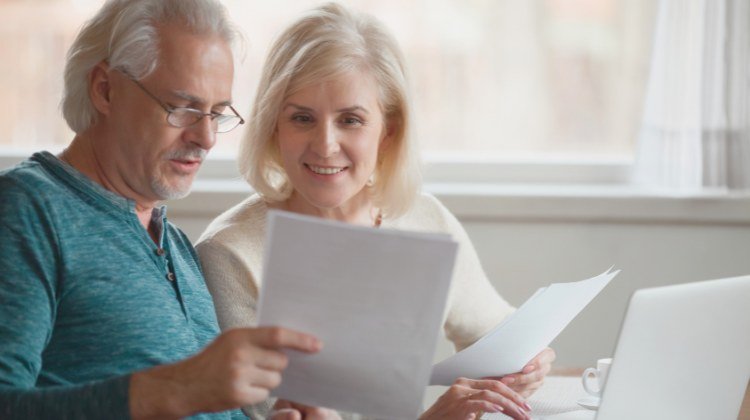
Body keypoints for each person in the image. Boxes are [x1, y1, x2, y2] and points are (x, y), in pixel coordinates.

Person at [196, 3, 554, 420]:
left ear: (389, 130)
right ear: (274, 124)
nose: (325, 144)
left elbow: (494, 331)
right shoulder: (231, 253)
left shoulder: (425, 220)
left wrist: (528, 362)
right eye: (302, 118)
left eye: (350, 119)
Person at [0, 1, 322, 418]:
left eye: (217, 113)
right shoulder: (27, 211)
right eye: (184, 108)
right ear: (105, 89)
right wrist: (171, 389)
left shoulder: (177, 245)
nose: (206, 137)